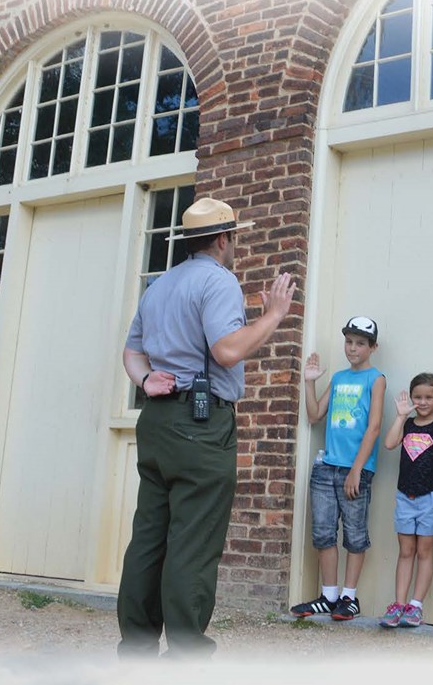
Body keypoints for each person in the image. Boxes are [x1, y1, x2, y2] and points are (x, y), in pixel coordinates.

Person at [117, 196, 296, 655]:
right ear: (223, 239)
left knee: (149, 537)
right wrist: (274, 315)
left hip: (156, 421)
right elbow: (227, 351)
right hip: (199, 423)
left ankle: (135, 652)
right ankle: (185, 657)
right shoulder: (218, 282)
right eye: (233, 237)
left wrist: (145, 380)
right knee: (193, 541)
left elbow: (132, 353)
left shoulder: (158, 286)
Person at [292, 317, 386, 621]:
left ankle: (349, 597)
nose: (353, 348)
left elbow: (373, 428)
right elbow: (315, 414)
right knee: (322, 533)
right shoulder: (339, 378)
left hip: (355, 469)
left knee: (355, 535)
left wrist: (357, 469)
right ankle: (329, 596)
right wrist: (309, 381)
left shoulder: (376, 378)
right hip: (326, 468)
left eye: (360, 343)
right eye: (349, 342)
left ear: (373, 347)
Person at [379, 372, 433, 628]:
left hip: (431, 496)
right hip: (405, 495)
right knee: (406, 551)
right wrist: (400, 416)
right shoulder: (408, 424)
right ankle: (398, 605)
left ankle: (415, 606)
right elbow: (389, 443)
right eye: (417, 397)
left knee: (424, 552)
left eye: (428, 397)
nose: (422, 402)